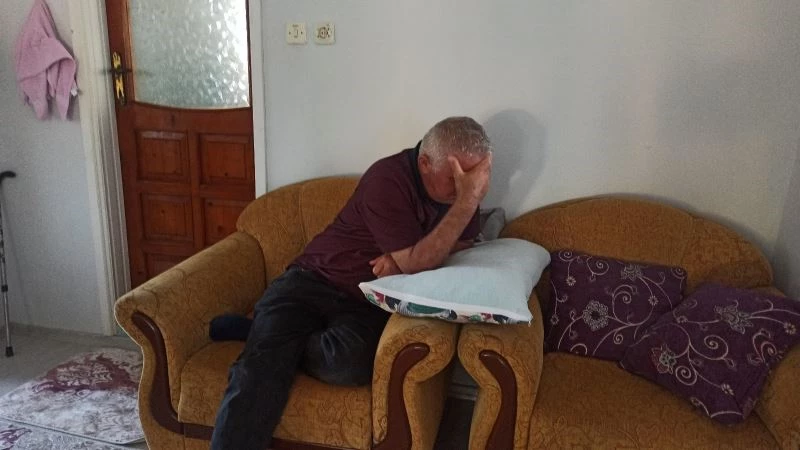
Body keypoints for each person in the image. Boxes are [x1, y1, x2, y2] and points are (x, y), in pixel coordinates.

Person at [210, 116, 493, 449]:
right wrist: (418, 252)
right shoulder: (388, 178)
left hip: (366, 298)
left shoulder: (463, 196)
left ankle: (261, 333)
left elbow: (459, 248)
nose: (465, 186)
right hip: (312, 280)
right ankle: (267, 339)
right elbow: (418, 262)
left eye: (472, 178)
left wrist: (409, 258)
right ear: (425, 163)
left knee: (349, 365)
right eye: (455, 177)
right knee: (259, 370)